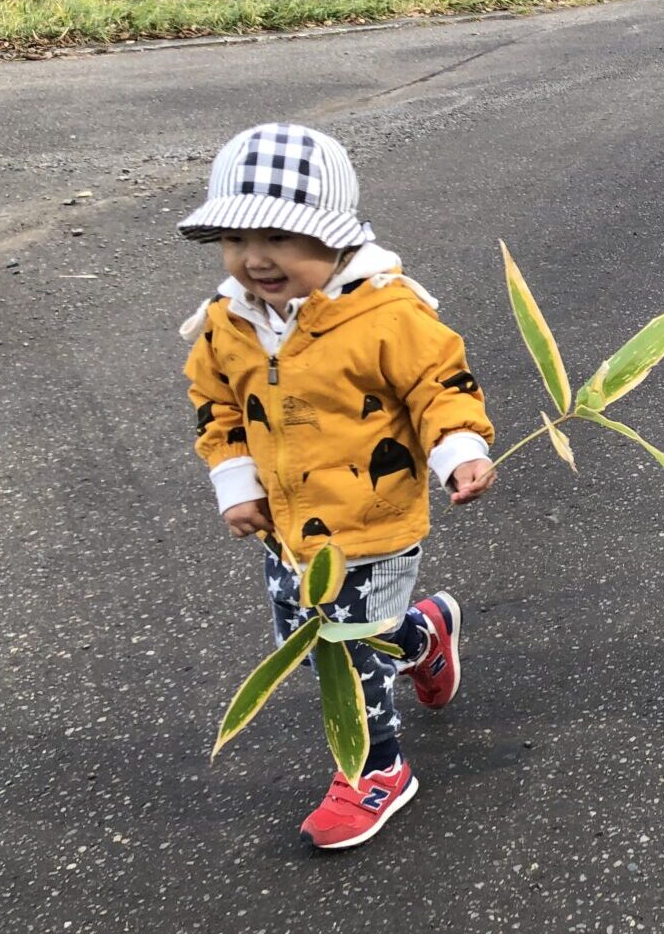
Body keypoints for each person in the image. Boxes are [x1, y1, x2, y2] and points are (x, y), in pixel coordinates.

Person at [178, 123, 495, 846]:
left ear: (336, 238)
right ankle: (426, 633)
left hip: (373, 522)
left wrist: (459, 451)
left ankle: (377, 768)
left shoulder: (388, 312)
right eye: (235, 238)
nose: (254, 259)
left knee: (347, 650)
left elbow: (438, 385)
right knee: (304, 635)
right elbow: (217, 404)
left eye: (279, 239)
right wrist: (235, 482)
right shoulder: (228, 322)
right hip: (289, 531)